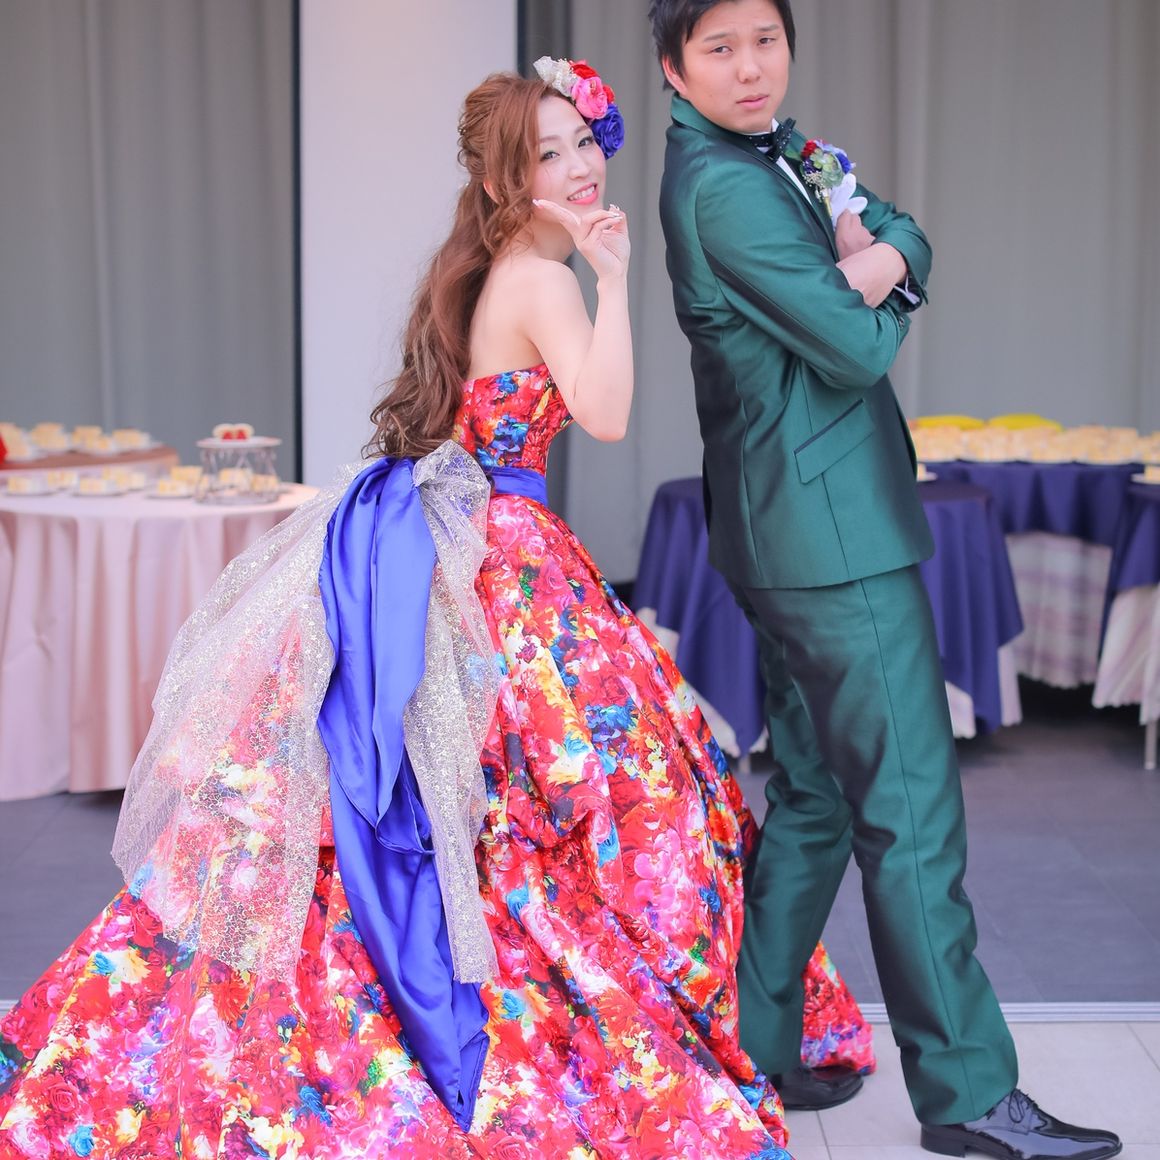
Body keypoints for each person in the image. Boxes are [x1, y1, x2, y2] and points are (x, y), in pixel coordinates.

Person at [0, 62, 871, 1159]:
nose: (579, 166)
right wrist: (611, 278)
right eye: (547, 153)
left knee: (504, 798)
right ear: (505, 179)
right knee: (607, 793)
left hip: (471, 552)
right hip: (506, 559)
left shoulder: (483, 266)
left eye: (582, 142)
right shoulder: (543, 278)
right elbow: (603, 412)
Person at [649, 1, 1123, 1156]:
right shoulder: (725, 188)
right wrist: (885, 256)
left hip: (790, 533)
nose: (751, 66)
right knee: (907, 812)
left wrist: (877, 249)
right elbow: (856, 343)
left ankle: (747, 1053)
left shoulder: (766, 161)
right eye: (719, 47)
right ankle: (965, 1093)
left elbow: (897, 234)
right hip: (831, 543)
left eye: (765, 39)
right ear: (671, 67)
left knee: (815, 797)